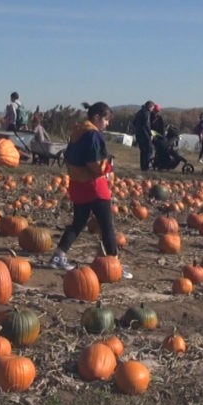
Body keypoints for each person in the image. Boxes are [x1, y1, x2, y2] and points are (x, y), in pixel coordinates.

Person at [48, 102, 131, 280]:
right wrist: (108, 167)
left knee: (78, 222)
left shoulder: (77, 132)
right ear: (96, 118)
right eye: (106, 120)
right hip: (94, 186)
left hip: (77, 184)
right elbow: (94, 163)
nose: (107, 124)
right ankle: (113, 264)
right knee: (107, 225)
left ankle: (59, 254)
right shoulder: (93, 134)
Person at [132, 100, 154, 171]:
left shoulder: (139, 112)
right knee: (148, 150)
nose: (152, 110)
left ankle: (143, 166)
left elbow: (134, 122)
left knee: (142, 151)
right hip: (145, 135)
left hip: (138, 134)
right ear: (150, 106)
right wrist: (150, 133)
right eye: (152, 108)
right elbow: (147, 124)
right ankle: (146, 166)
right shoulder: (146, 113)